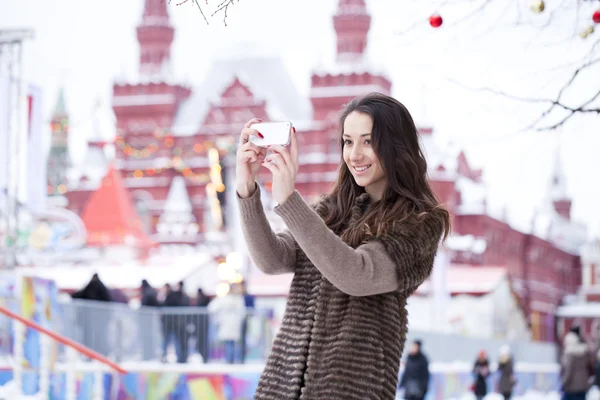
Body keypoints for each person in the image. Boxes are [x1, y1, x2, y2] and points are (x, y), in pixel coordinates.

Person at [235, 93, 449, 399]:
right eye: (348, 142)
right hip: (282, 388)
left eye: (368, 141)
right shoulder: (331, 210)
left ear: (395, 146)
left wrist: (289, 202)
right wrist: (247, 188)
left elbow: (357, 275)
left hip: (350, 390)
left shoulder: (420, 224)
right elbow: (272, 259)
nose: (355, 154)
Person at [208, 283, 246, 364]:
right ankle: (233, 359)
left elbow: (211, 308)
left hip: (226, 323)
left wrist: (218, 317)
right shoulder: (238, 299)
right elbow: (243, 312)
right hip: (234, 324)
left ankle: (229, 359)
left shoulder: (224, 299)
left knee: (229, 343)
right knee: (233, 342)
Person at [561, 331, 593, 400]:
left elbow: (568, 372)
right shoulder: (584, 352)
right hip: (583, 386)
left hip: (571, 388)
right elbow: (590, 368)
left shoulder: (570, 354)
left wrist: (563, 384)